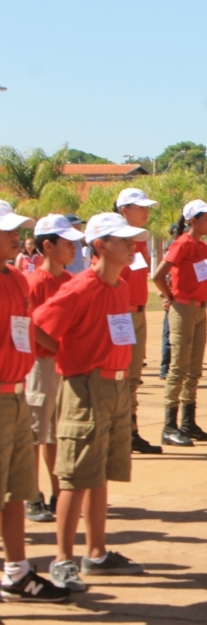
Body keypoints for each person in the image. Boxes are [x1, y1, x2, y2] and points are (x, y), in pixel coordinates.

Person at [35, 212, 149, 591]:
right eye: (123, 240)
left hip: (115, 388)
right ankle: (62, 560)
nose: (132, 244)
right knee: (76, 477)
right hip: (86, 387)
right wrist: (71, 355)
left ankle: (96, 553)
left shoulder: (119, 287)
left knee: (98, 474)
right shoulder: (79, 287)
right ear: (100, 246)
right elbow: (39, 326)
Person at [0, 203, 72, 602]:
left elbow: (27, 329)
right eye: (8, 231)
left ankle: (17, 573)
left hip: (14, 394)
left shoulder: (15, 279)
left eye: (17, 230)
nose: (16, 236)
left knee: (15, 491)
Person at [24, 215, 85, 523]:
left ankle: (57, 492)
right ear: (47, 246)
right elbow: (32, 326)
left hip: (62, 365)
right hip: (41, 364)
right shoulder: (35, 282)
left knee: (54, 434)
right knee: (35, 433)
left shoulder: (70, 282)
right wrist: (63, 347)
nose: (73, 247)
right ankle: (30, 494)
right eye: (66, 243)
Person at [153, 199, 207, 446]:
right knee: (179, 367)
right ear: (193, 220)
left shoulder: (203, 247)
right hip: (182, 308)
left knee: (194, 368)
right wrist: (170, 297)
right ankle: (169, 426)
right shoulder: (181, 244)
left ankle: (187, 422)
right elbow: (158, 275)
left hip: (198, 310)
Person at [112, 189, 164, 455]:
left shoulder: (139, 241)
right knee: (120, 377)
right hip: (122, 314)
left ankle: (130, 431)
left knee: (133, 377)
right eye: (140, 207)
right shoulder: (114, 240)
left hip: (139, 312)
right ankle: (120, 431)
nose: (147, 212)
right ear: (124, 210)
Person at [158, 223, 178, 380]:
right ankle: (165, 368)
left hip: (175, 299)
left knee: (170, 335)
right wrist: (167, 295)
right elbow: (164, 276)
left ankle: (166, 369)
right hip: (173, 300)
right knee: (168, 335)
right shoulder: (175, 246)